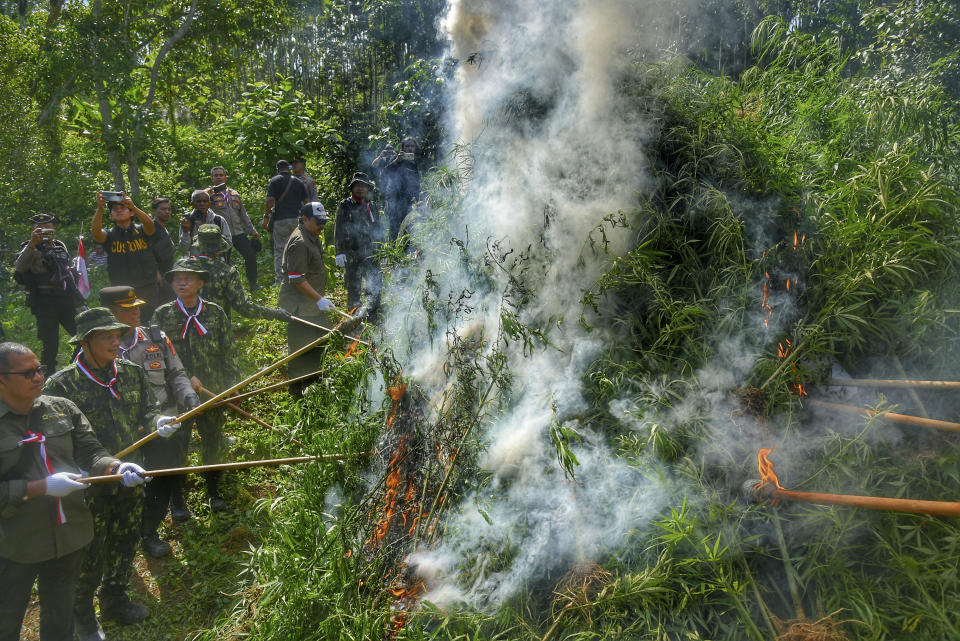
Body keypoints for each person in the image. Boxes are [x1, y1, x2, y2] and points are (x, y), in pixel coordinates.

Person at [44, 308, 176, 635]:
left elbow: (147, 407)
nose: (116, 343)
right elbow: (50, 440)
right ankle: (83, 616)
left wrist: (157, 422)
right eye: (107, 337)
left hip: (130, 476)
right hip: (87, 486)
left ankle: (115, 598)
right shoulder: (61, 386)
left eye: (117, 336)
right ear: (86, 343)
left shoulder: (129, 372)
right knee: (89, 552)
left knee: (125, 539)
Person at [0, 341, 144, 641]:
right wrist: (40, 488)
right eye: (27, 374)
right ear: (2, 379)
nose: (38, 377)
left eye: (40, 370)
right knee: (6, 618)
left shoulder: (61, 408)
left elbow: (91, 451)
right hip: (14, 544)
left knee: (59, 619)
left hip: (69, 536)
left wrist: (115, 468)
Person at [99, 286, 199, 558]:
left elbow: (177, 373)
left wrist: (189, 397)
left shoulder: (155, 338)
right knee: (128, 486)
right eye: (127, 309)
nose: (136, 312)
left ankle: (149, 532)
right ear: (110, 313)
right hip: (124, 432)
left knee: (163, 477)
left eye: (137, 306)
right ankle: (124, 538)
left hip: (160, 423)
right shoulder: (99, 348)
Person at [152, 258, 235, 511]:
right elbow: (156, 357)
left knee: (213, 439)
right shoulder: (162, 315)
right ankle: (178, 499)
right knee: (179, 444)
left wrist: (232, 386)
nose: (182, 282)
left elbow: (229, 351)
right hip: (178, 396)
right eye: (177, 278)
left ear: (200, 283)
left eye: (188, 278)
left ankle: (213, 490)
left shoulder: (215, 312)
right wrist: (184, 379)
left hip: (213, 391)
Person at [13, 213, 84, 375]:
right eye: (39, 228)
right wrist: (32, 243)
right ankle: (49, 380)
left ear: (54, 228)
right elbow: (19, 267)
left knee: (83, 337)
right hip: (44, 302)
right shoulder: (29, 247)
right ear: (33, 230)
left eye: (48, 227)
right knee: (50, 346)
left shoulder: (59, 245)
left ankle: (73, 369)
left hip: (65, 300)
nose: (44, 230)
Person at [280, 203, 337, 397]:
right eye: (318, 221)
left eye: (324, 222)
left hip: (311, 305)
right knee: (300, 350)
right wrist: (320, 299)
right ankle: (297, 395)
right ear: (304, 219)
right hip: (299, 309)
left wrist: (319, 300)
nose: (322, 225)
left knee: (321, 343)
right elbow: (297, 279)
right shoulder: (300, 242)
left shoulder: (312, 236)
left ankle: (316, 386)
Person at [190, 225, 291, 323]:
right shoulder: (226, 272)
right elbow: (244, 307)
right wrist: (275, 313)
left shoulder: (184, 268)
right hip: (217, 332)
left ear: (199, 245)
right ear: (219, 247)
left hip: (184, 332)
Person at [90, 190, 161, 322]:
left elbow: (151, 226)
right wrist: (100, 209)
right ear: (110, 216)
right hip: (122, 288)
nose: (119, 210)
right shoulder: (109, 234)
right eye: (114, 209)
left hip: (147, 286)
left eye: (123, 207)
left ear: (131, 213)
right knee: (126, 322)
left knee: (150, 321)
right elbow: (95, 233)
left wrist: (133, 206)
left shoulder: (141, 230)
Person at [334, 172, 385, 316]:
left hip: (372, 254)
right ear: (352, 188)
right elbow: (339, 229)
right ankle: (354, 321)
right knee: (354, 289)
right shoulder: (345, 205)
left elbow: (378, 228)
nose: (360, 188)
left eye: (363, 186)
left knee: (374, 287)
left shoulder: (372, 206)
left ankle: (372, 317)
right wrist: (339, 252)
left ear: (368, 188)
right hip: (352, 254)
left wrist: (382, 251)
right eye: (357, 185)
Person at [207, 167, 261, 290]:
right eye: (216, 175)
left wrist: (252, 230)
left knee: (251, 256)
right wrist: (208, 193)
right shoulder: (209, 195)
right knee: (224, 261)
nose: (219, 177)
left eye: (221, 175)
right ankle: (225, 287)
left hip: (238, 232)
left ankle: (253, 284)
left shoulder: (234, 193)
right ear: (212, 178)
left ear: (225, 177)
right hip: (222, 235)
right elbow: (199, 203)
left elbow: (243, 214)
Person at [263, 159, 309, 286]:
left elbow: (270, 200)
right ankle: (298, 278)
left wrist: (266, 217)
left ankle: (280, 281)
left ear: (278, 169)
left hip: (280, 220)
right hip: (297, 219)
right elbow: (307, 201)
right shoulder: (299, 181)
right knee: (297, 249)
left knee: (280, 250)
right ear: (289, 168)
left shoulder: (275, 180)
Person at [372, 137, 421, 240]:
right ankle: (395, 254)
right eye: (407, 146)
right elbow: (384, 173)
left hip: (409, 204)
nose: (410, 148)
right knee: (395, 233)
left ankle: (407, 255)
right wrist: (397, 161)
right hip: (395, 203)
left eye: (412, 146)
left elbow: (417, 184)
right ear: (402, 148)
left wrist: (418, 202)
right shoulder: (395, 160)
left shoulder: (414, 164)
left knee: (409, 232)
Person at [180, 189, 231, 253]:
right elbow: (184, 248)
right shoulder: (187, 221)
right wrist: (185, 232)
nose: (202, 204)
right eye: (198, 201)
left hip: (216, 260)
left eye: (205, 201)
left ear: (209, 203)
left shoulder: (218, 220)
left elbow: (228, 243)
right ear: (192, 204)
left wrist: (215, 247)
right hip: (196, 261)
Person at [150, 197, 177, 304]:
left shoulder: (163, 228)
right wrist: (156, 272)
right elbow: (147, 252)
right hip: (157, 276)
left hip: (167, 273)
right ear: (154, 211)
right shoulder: (151, 228)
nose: (167, 212)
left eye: (169, 209)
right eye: (163, 209)